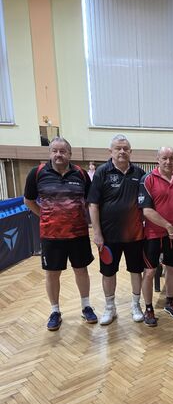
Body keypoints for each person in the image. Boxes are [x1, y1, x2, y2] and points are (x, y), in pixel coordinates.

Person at [24, 137, 97, 330]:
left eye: (62, 151)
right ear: (50, 153)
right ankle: (55, 311)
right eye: (55, 151)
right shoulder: (37, 173)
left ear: (69, 154)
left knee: (81, 270)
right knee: (52, 274)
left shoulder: (81, 174)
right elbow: (28, 200)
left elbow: (89, 201)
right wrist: (45, 216)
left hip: (78, 234)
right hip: (51, 235)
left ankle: (86, 306)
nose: (58, 154)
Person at [88, 134, 145, 325]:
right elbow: (93, 204)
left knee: (136, 271)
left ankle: (136, 305)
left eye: (125, 148)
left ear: (130, 151)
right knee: (108, 272)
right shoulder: (102, 172)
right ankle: (110, 308)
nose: (122, 151)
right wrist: (97, 233)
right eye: (118, 148)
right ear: (110, 151)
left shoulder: (139, 173)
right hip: (109, 236)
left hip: (135, 234)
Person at [138, 147, 173, 327]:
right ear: (157, 159)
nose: (168, 161)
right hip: (153, 234)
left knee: (172, 269)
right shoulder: (147, 179)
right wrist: (168, 226)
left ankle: (169, 302)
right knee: (150, 272)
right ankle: (148, 308)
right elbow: (146, 211)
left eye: (172, 158)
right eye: (164, 158)